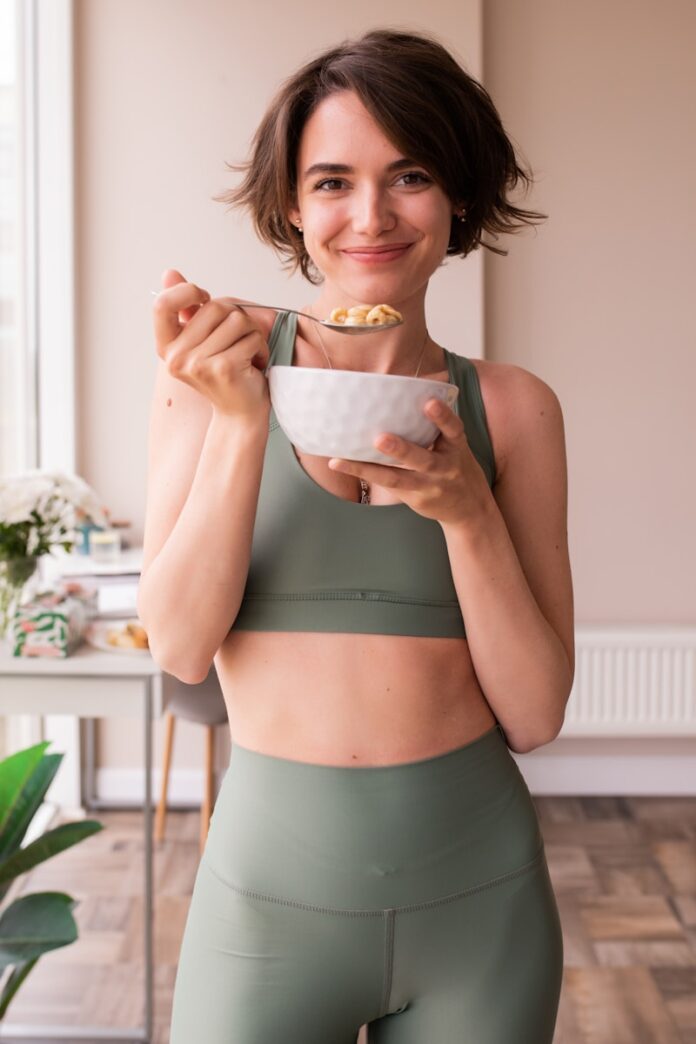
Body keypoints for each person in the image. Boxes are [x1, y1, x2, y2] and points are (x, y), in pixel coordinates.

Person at [138, 27, 574, 1044]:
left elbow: (538, 712)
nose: (370, 216)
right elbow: (179, 646)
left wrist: (467, 510)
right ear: (292, 206)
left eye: (410, 175)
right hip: (265, 915)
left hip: (484, 912)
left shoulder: (513, 410)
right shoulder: (208, 379)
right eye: (331, 181)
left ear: (459, 195)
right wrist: (246, 420)